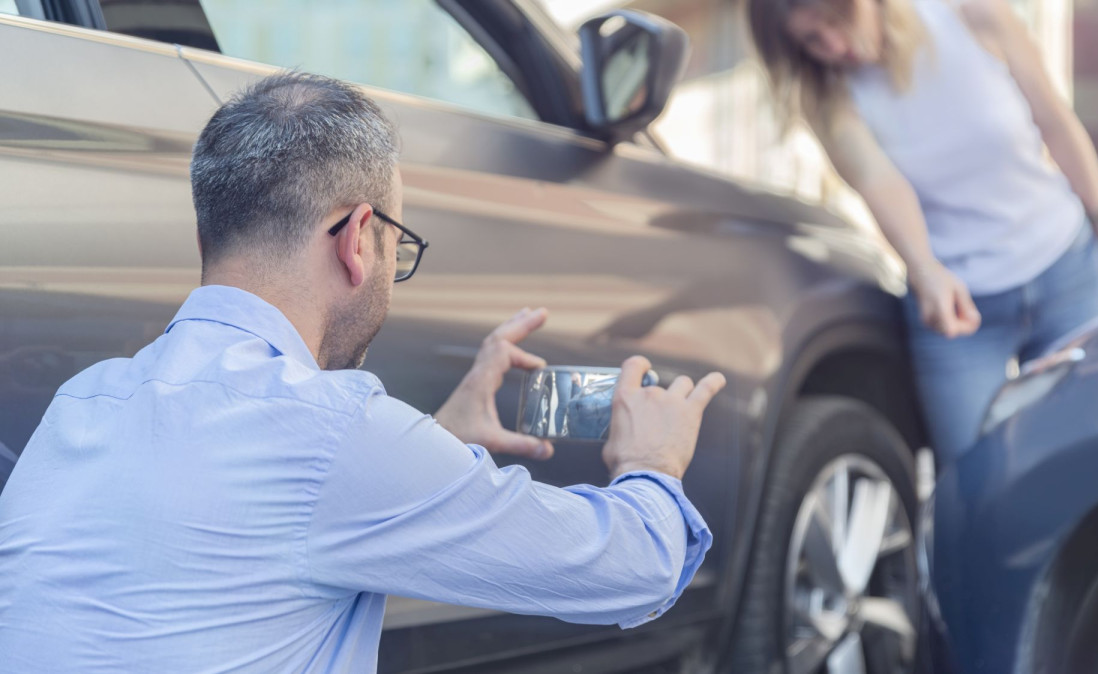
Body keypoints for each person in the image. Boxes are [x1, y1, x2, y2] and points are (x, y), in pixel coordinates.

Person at [0, 72, 726, 672]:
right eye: (394, 243)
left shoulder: (83, 402)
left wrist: (437, 438)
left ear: (205, 234)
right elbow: (632, 568)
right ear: (356, 239)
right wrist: (652, 463)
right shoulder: (334, 432)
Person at [747, 0, 1098, 463]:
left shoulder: (970, 15)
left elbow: (1055, 120)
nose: (833, 46)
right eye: (811, 40)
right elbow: (881, 182)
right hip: (957, 308)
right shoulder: (828, 97)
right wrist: (925, 270)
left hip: (1063, 269)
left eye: (837, 22)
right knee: (973, 479)